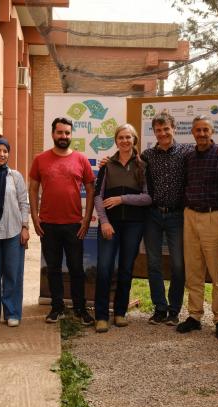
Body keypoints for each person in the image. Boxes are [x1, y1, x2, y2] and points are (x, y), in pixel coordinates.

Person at [140, 112, 218, 327]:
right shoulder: (148, 156)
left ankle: (192, 313)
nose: (163, 133)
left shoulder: (190, 152)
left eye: (166, 129)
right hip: (164, 215)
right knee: (169, 266)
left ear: (174, 129)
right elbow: (128, 163)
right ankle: (173, 311)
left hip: (188, 216)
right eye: (158, 130)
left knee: (191, 267)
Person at [29, 117, 95, 325]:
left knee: (76, 268)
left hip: (74, 224)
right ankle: (57, 307)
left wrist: (86, 219)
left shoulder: (81, 159)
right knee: (54, 268)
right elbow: (32, 188)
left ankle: (80, 308)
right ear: (53, 134)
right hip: (48, 224)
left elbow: (91, 189)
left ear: (71, 135)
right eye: (60, 133)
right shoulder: (40, 159)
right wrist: (34, 216)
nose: (64, 136)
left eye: (67, 133)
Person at [176, 116, 218, 340]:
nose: (201, 134)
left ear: (212, 132)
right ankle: (194, 316)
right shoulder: (188, 156)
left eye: (205, 130)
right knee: (194, 269)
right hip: (190, 216)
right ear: (192, 132)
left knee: (217, 271)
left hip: (214, 216)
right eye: (197, 130)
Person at [93, 124, 151, 333]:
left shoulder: (143, 166)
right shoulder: (107, 166)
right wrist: (104, 221)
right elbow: (98, 196)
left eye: (128, 137)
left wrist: (122, 199)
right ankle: (101, 315)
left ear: (134, 140)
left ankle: (120, 313)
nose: (125, 141)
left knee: (126, 269)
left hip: (134, 225)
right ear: (116, 140)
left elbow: (148, 198)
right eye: (121, 137)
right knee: (104, 268)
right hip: (111, 224)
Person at [0, 138, 29, 327]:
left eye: (5, 151)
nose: (2, 154)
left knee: (13, 274)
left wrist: (25, 227)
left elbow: (23, 203)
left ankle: (12, 312)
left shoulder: (15, 176)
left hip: (13, 232)